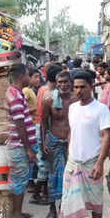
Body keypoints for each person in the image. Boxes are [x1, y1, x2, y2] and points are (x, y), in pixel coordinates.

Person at [60, 71, 110, 218]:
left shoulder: (101, 109)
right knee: (69, 202)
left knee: (96, 204)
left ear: (91, 86)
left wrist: (100, 163)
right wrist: (70, 154)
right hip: (73, 163)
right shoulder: (72, 108)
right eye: (75, 87)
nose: (78, 91)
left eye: (82, 87)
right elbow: (72, 132)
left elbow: (105, 136)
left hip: (92, 163)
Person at [42, 71, 77, 218]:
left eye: (66, 82)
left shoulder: (76, 100)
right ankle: (52, 208)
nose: (63, 85)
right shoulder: (49, 100)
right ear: (56, 83)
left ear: (71, 82)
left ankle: (64, 206)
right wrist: (44, 141)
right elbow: (43, 123)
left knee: (69, 177)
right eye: (60, 82)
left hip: (71, 144)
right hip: (54, 141)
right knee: (52, 176)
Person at [5, 64, 37, 218]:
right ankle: (16, 214)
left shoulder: (14, 93)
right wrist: (29, 149)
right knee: (19, 181)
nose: (29, 78)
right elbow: (20, 125)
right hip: (19, 147)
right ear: (22, 76)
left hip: (17, 146)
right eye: (28, 75)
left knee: (18, 180)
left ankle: (16, 211)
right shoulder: (16, 96)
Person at [30, 64, 62, 205]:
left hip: (40, 127)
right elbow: (47, 118)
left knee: (45, 163)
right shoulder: (50, 92)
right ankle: (40, 194)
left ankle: (41, 193)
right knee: (46, 164)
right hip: (44, 129)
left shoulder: (43, 89)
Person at [22, 68, 41, 189]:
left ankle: (31, 178)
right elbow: (20, 109)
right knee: (31, 154)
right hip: (30, 126)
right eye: (36, 77)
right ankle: (29, 180)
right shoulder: (26, 91)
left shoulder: (32, 90)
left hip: (33, 125)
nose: (38, 79)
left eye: (39, 77)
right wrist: (33, 110)